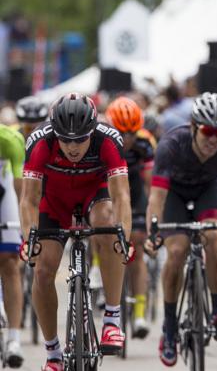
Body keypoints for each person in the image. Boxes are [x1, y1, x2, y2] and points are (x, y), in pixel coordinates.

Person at [19, 93, 132, 371]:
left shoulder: (108, 139)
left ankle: (112, 320)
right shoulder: (39, 141)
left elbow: (121, 197)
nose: (72, 147)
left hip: (95, 195)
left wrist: (124, 237)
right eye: (65, 139)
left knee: (108, 226)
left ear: (92, 131)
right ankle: (53, 353)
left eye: (80, 139)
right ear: (54, 132)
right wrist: (29, 239)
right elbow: (29, 200)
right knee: (43, 270)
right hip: (54, 201)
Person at [145, 92, 217, 366]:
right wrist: (153, 235)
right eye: (208, 131)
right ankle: (169, 328)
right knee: (178, 250)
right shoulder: (171, 144)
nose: (214, 138)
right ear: (194, 126)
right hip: (175, 194)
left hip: (209, 188)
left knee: (214, 237)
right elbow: (156, 198)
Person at [105, 96, 156, 339]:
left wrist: (152, 216)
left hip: (134, 193)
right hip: (106, 191)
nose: (126, 139)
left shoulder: (145, 144)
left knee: (136, 251)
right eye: (121, 133)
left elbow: (151, 185)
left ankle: (138, 314)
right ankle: (97, 268)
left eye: (132, 133)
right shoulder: (102, 140)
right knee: (101, 229)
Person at [0, 124, 26, 368]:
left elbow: (21, 191)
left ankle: (14, 339)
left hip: (4, 190)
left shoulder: (9, 139)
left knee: (9, 260)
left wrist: (23, 227)